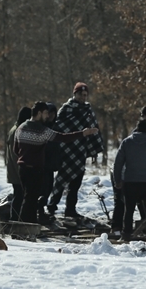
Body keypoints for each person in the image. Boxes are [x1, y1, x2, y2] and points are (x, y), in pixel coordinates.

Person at [13, 101, 99, 224]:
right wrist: (83, 133)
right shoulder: (42, 130)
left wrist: (25, 157)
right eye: (45, 113)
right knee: (31, 199)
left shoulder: (20, 128)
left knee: (28, 198)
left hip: (22, 168)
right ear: (38, 113)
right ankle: (26, 227)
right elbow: (62, 137)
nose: (48, 116)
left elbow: (16, 150)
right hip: (35, 169)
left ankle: (26, 225)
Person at [47, 82, 104, 221]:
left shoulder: (88, 110)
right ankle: (51, 207)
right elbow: (58, 127)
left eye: (85, 95)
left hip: (81, 152)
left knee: (75, 184)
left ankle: (70, 210)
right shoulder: (66, 109)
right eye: (80, 94)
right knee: (61, 180)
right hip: (66, 151)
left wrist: (93, 149)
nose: (83, 97)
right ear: (75, 94)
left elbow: (93, 129)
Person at [110, 106, 146, 236]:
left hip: (130, 182)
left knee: (129, 210)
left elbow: (118, 163)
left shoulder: (126, 142)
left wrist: (118, 180)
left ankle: (126, 235)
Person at [5, 106, 32, 221]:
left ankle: (16, 218)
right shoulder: (18, 131)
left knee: (19, 195)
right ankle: (14, 219)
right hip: (16, 169)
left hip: (14, 168)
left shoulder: (15, 129)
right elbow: (17, 152)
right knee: (19, 195)